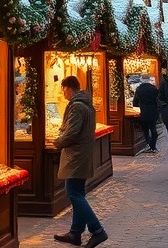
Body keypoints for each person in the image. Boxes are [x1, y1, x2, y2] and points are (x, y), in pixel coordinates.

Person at [53, 75, 108, 248]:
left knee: (73, 194)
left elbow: (72, 132)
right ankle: (75, 233)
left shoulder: (76, 106)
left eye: (63, 90)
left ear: (69, 88)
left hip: (75, 156)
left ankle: (97, 230)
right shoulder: (86, 103)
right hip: (82, 154)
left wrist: (58, 141)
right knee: (78, 193)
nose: (63, 94)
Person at [133, 75, 159, 153]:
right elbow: (158, 99)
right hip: (153, 110)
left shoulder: (139, 89)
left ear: (142, 80)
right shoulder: (154, 88)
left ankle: (148, 143)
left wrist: (138, 105)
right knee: (153, 128)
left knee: (145, 129)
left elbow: (135, 102)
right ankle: (153, 146)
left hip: (143, 111)